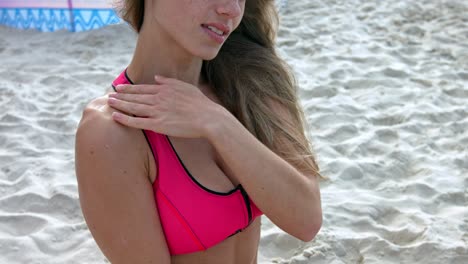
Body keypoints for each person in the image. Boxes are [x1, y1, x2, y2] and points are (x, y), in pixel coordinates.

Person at [74, 0, 323, 263]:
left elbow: (306, 221)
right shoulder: (112, 132)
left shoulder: (250, 80)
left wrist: (217, 122)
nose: (232, 10)